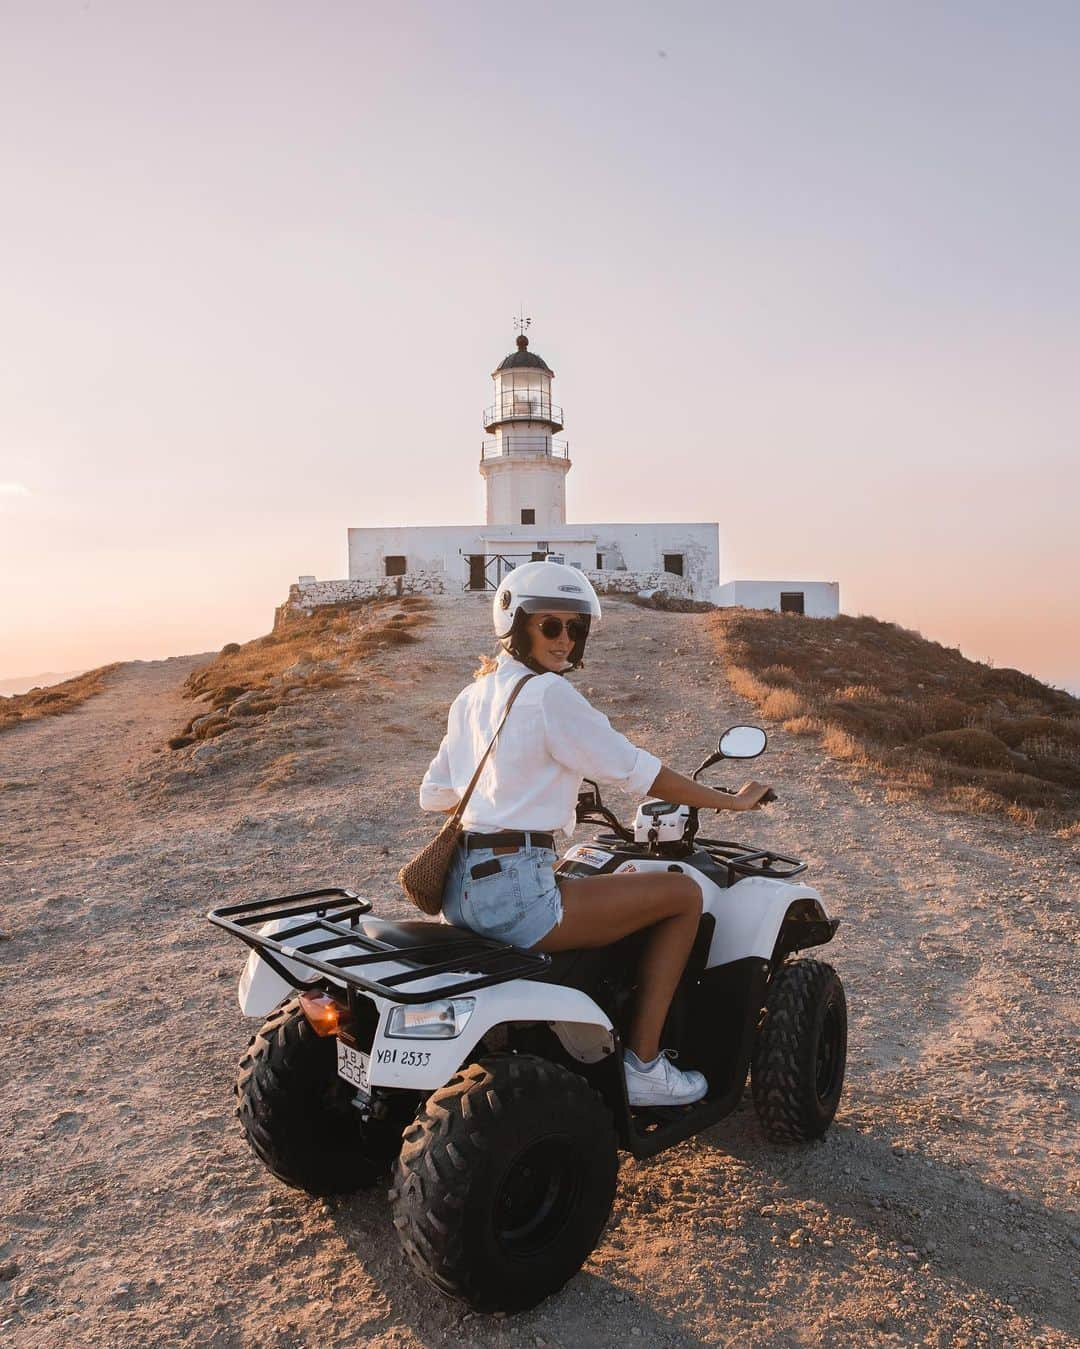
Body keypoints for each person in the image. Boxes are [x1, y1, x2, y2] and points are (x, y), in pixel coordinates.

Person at [420, 561, 773, 1107]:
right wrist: (731, 800)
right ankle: (645, 1066)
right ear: (516, 625)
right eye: (551, 626)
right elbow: (639, 772)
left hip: (459, 894)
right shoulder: (548, 695)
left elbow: (436, 794)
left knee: (616, 881)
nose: (565, 640)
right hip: (516, 892)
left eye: (576, 628)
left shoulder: (471, 697)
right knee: (682, 894)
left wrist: (527, 789)